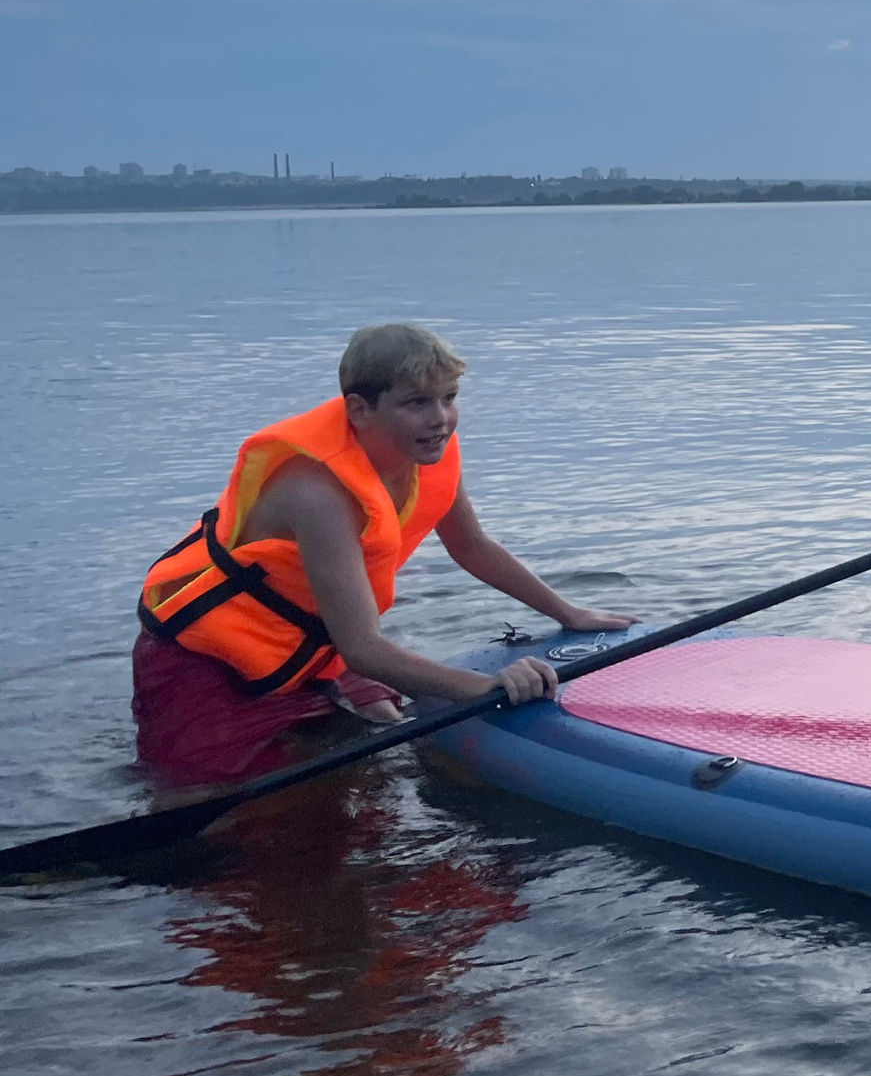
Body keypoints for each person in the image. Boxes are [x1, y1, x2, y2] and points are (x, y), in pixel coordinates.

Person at [133, 323, 633, 794]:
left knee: (368, 775)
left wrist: (568, 613)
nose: (440, 418)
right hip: (205, 661)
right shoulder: (316, 492)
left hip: (315, 650)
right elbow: (364, 650)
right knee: (215, 805)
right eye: (417, 403)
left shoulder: (429, 453)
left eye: (449, 399)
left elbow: (471, 546)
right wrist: (485, 687)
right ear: (359, 410)